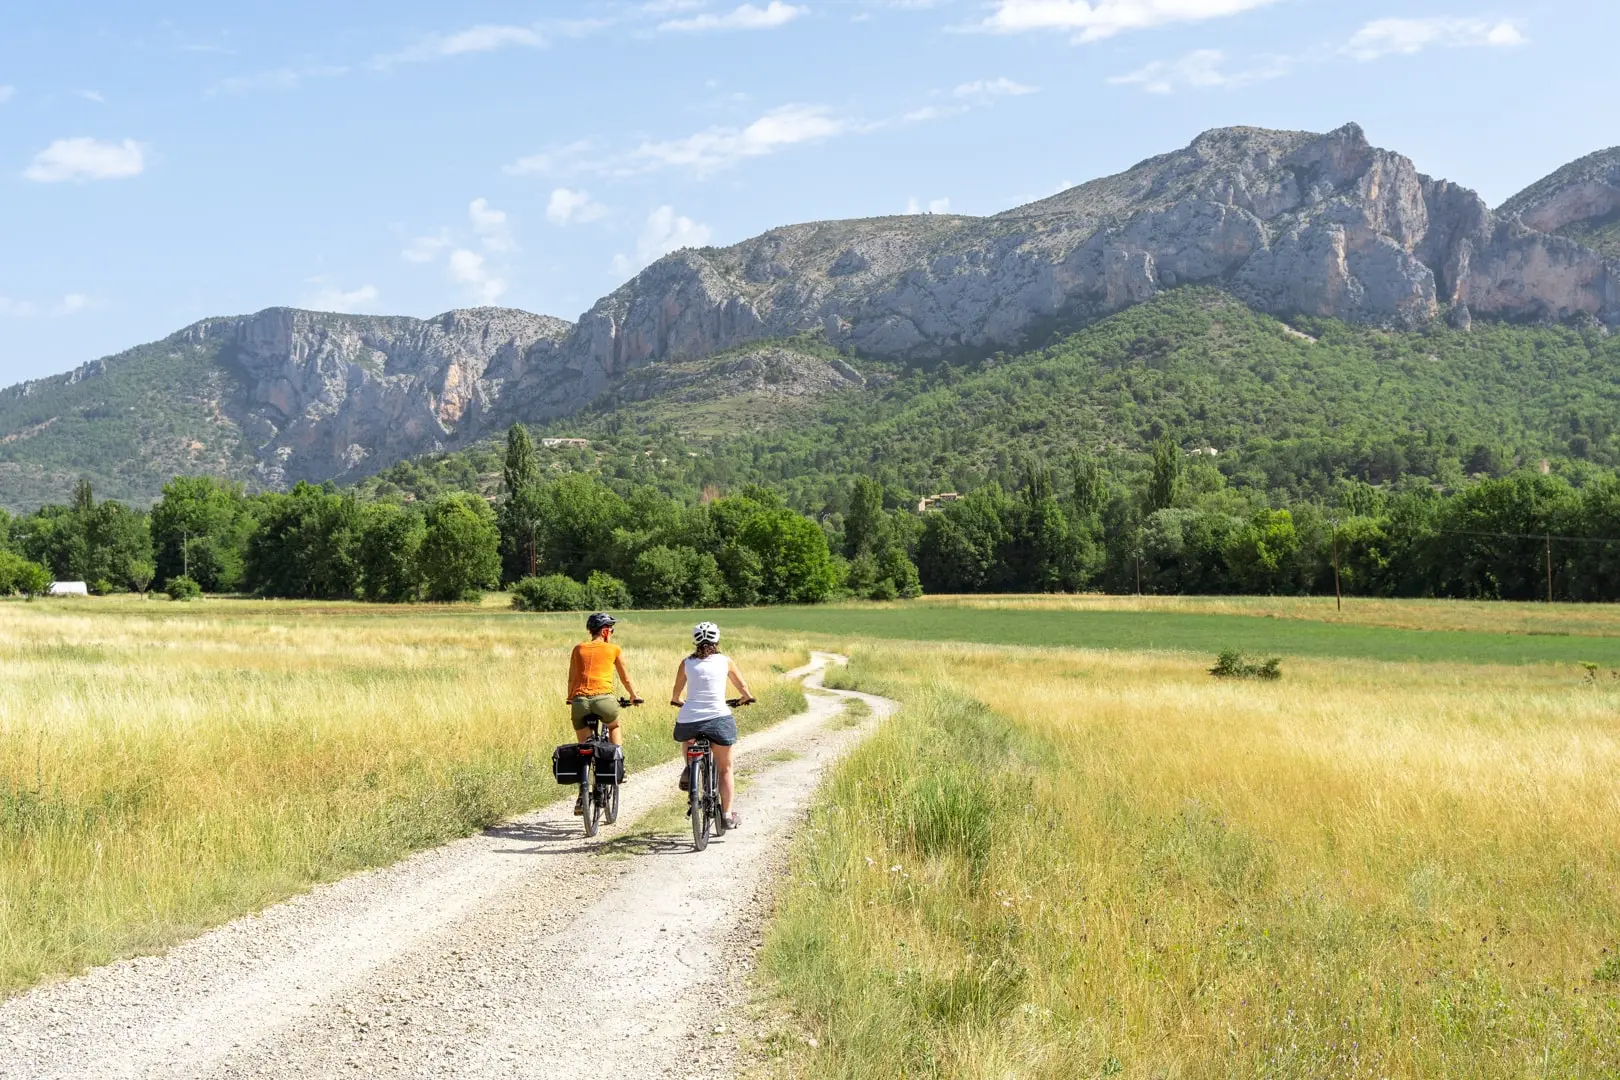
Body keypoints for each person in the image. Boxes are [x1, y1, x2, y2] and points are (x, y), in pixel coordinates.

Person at [669, 621, 754, 830]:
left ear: (695, 641)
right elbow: (742, 686)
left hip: (689, 720)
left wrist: (679, 701)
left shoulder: (687, 662)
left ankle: (690, 767)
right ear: (717, 640)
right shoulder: (725, 661)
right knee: (725, 769)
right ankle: (726, 815)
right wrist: (746, 697)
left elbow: (676, 693)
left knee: (689, 735)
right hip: (718, 719)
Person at [567, 612, 642, 815]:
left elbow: (573, 677)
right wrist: (634, 696)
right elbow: (625, 677)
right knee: (614, 725)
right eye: (611, 630)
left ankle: (582, 796)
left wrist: (570, 697)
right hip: (604, 701)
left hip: (580, 702)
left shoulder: (578, 648)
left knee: (584, 746)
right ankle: (618, 765)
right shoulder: (613, 649)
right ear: (606, 631)